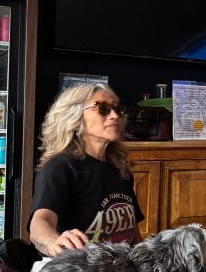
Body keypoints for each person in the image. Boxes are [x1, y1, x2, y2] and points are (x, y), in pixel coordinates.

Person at [28, 83, 144, 257]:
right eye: (102, 108)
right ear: (74, 119)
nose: (114, 116)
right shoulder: (61, 167)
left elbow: (132, 232)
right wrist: (53, 241)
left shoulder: (120, 168)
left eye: (117, 109)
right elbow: (39, 223)